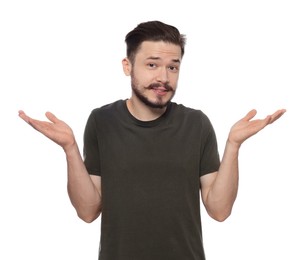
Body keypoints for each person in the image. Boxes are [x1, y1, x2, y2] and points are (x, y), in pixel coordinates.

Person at [19, 20, 286, 260]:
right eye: (152, 64)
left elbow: (219, 210)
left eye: (173, 67)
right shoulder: (102, 121)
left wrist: (233, 145)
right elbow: (88, 211)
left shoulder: (196, 123)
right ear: (128, 66)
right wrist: (70, 149)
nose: (163, 78)